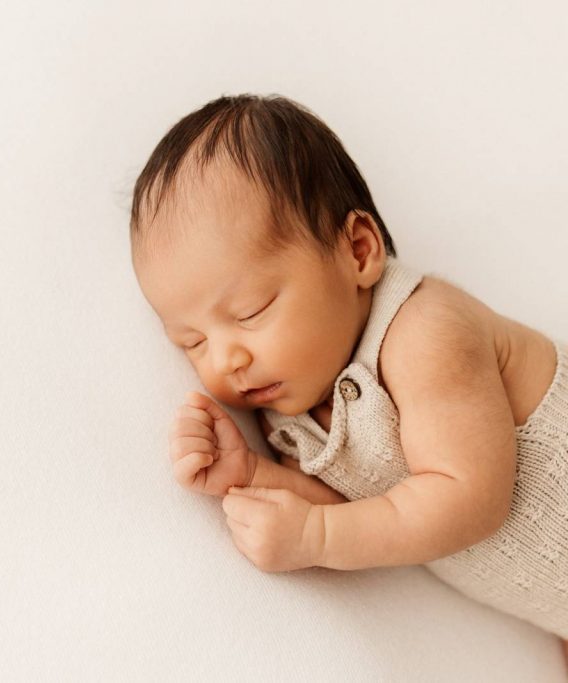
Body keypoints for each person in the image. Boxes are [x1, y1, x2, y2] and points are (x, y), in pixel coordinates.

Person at [129, 93, 568, 659]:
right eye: (192, 342)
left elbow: (469, 498)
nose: (224, 361)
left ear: (358, 251)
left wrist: (317, 540)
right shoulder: (294, 421)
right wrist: (254, 473)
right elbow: (354, 514)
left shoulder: (423, 330)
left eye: (250, 312)